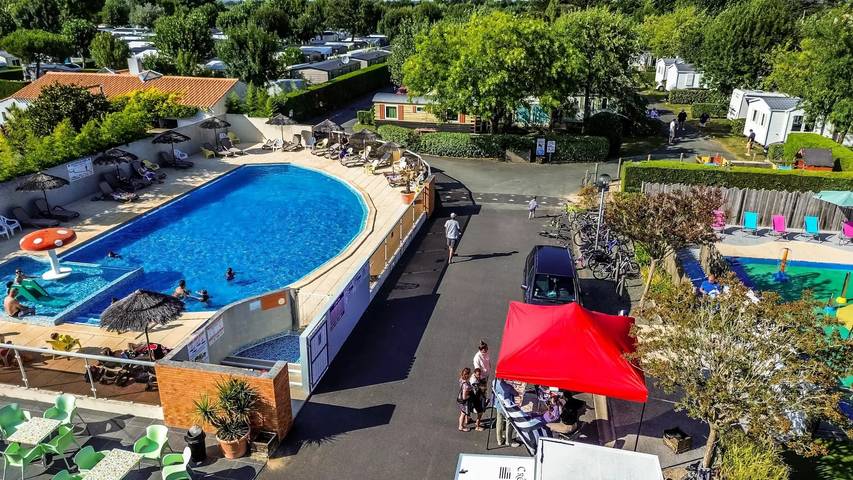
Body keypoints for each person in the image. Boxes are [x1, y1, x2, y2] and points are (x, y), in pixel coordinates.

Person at [457, 367, 473, 432]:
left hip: (460, 399)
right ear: (467, 375)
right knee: (463, 413)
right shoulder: (466, 385)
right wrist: (469, 396)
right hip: (464, 402)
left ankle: (467, 420)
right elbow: (464, 397)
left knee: (462, 412)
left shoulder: (461, 379)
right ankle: (461, 426)